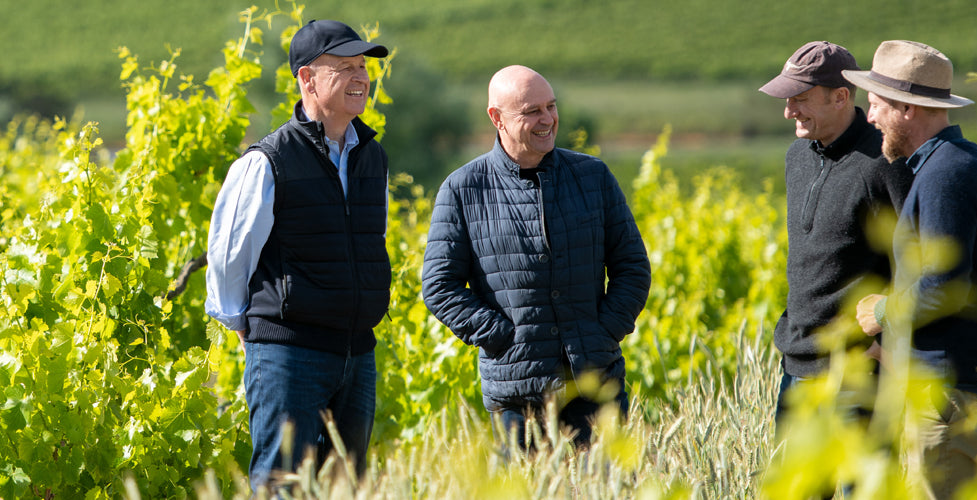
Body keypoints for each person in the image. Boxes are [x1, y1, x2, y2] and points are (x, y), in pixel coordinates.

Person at [421, 66, 650, 453]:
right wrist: (503, 339)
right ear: (497, 118)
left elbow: (632, 266)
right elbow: (439, 286)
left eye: (551, 106)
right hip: (516, 399)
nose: (547, 119)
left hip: (596, 383)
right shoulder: (462, 189)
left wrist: (604, 330)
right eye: (531, 111)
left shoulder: (593, 176)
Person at [204, 19, 390, 494]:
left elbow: (373, 239)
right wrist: (243, 326)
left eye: (363, 67)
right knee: (282, 487)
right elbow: (228, 254)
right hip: (289, 355)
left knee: (344, 487)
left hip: (357, 352)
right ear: (307, 79)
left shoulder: (373, 157)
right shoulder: (267, 161)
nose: (361, 77)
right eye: (345, 66)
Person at [846, 40, 977, 500]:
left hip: (950, 402)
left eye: (877, 105)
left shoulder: (946, 175)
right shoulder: (969, 163)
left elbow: (943, 288)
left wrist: (883, 312)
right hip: (968, 390)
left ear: (906, 107)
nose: (869, 117)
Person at [758, 41, 913, 426]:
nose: (788, 110)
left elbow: (916, 258)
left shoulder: (886, 162)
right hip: (797, 366)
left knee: (858, 489)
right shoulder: (796, 156)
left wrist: (883, 346)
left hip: (858, 371)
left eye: (801, 98)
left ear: (841, 97)